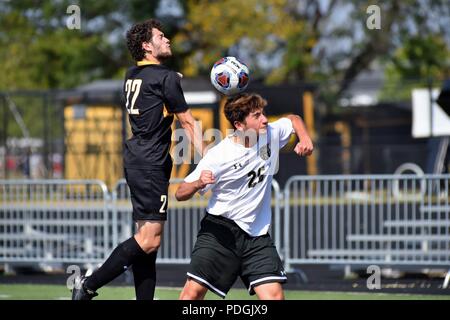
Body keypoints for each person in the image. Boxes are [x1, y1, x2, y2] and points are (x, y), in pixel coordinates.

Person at [72, 19, 206, 300]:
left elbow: (153, 88)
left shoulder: (132, 74)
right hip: (150, 163)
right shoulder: (164, 78)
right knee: (148, 239)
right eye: (161, 36)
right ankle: (87, 285)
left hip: (139, 158)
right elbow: (188, 122)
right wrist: (209, 159)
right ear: (147, 46)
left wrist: (171, 80)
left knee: (149, 243)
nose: (167, 39)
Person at [176, 93, 314, 300]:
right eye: (257, 116)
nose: (265, 119)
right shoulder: (219, 155)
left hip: (257, 236)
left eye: (263, 113)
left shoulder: (270, 133)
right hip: (220, 233)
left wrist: (305, 138)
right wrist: (197, 183)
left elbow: (294, 119)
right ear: (239, 125)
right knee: (192, 295)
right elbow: (180, 193)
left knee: (275, 297)